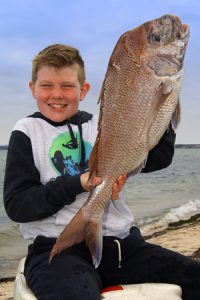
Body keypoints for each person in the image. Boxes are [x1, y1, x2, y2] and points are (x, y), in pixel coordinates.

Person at [3, 44, 200, 300]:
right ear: (33, 89)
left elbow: (157, 160)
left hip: (121, 246)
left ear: (83, 90)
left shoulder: (103, 123)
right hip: (56, 251)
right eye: (47, 85)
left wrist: (164, 104)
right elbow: (18, 206)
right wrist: (78, 183)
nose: (57, 94)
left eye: (67, 86)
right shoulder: (26, 131)